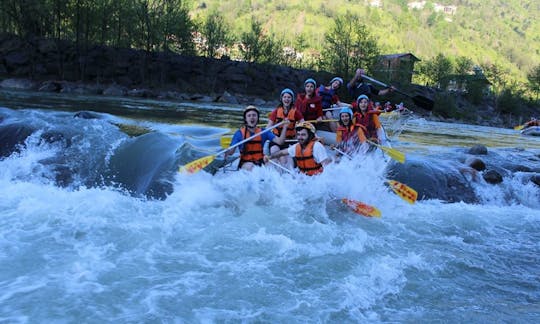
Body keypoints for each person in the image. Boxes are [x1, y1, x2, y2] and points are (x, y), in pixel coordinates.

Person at [224, 105, 289, 171]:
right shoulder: (239, 133)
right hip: (246, 163)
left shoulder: (264, 132)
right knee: (251, 166)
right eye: (249, 116)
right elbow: (231, 152)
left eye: (254, 115)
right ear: (245, 119)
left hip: (260, 161)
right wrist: (227, 151)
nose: (252, 117)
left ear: (257, 118)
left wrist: (285, 127)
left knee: (275, 163)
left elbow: (280, 142)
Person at [264, 121, 331, 176]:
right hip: (304, 178)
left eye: (303, 135)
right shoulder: (297, 146)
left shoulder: (317, 146)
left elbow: (327, 167)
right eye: (298, 134)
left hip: (317, 178)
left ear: (310, 135)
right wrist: (269, 157)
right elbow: (282, 152)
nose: (300, 137)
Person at [267, 88, 304, 169]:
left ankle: (287, 175)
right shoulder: (276, 112)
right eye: (285, 97)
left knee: (286, 160)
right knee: (275, 154)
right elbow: (268, 128)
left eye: (289, 97)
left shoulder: (296, 112)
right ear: (281, 99)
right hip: (276, 140)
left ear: (292, 99)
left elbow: (304, 126)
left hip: (289, 141)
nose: (286, 99)